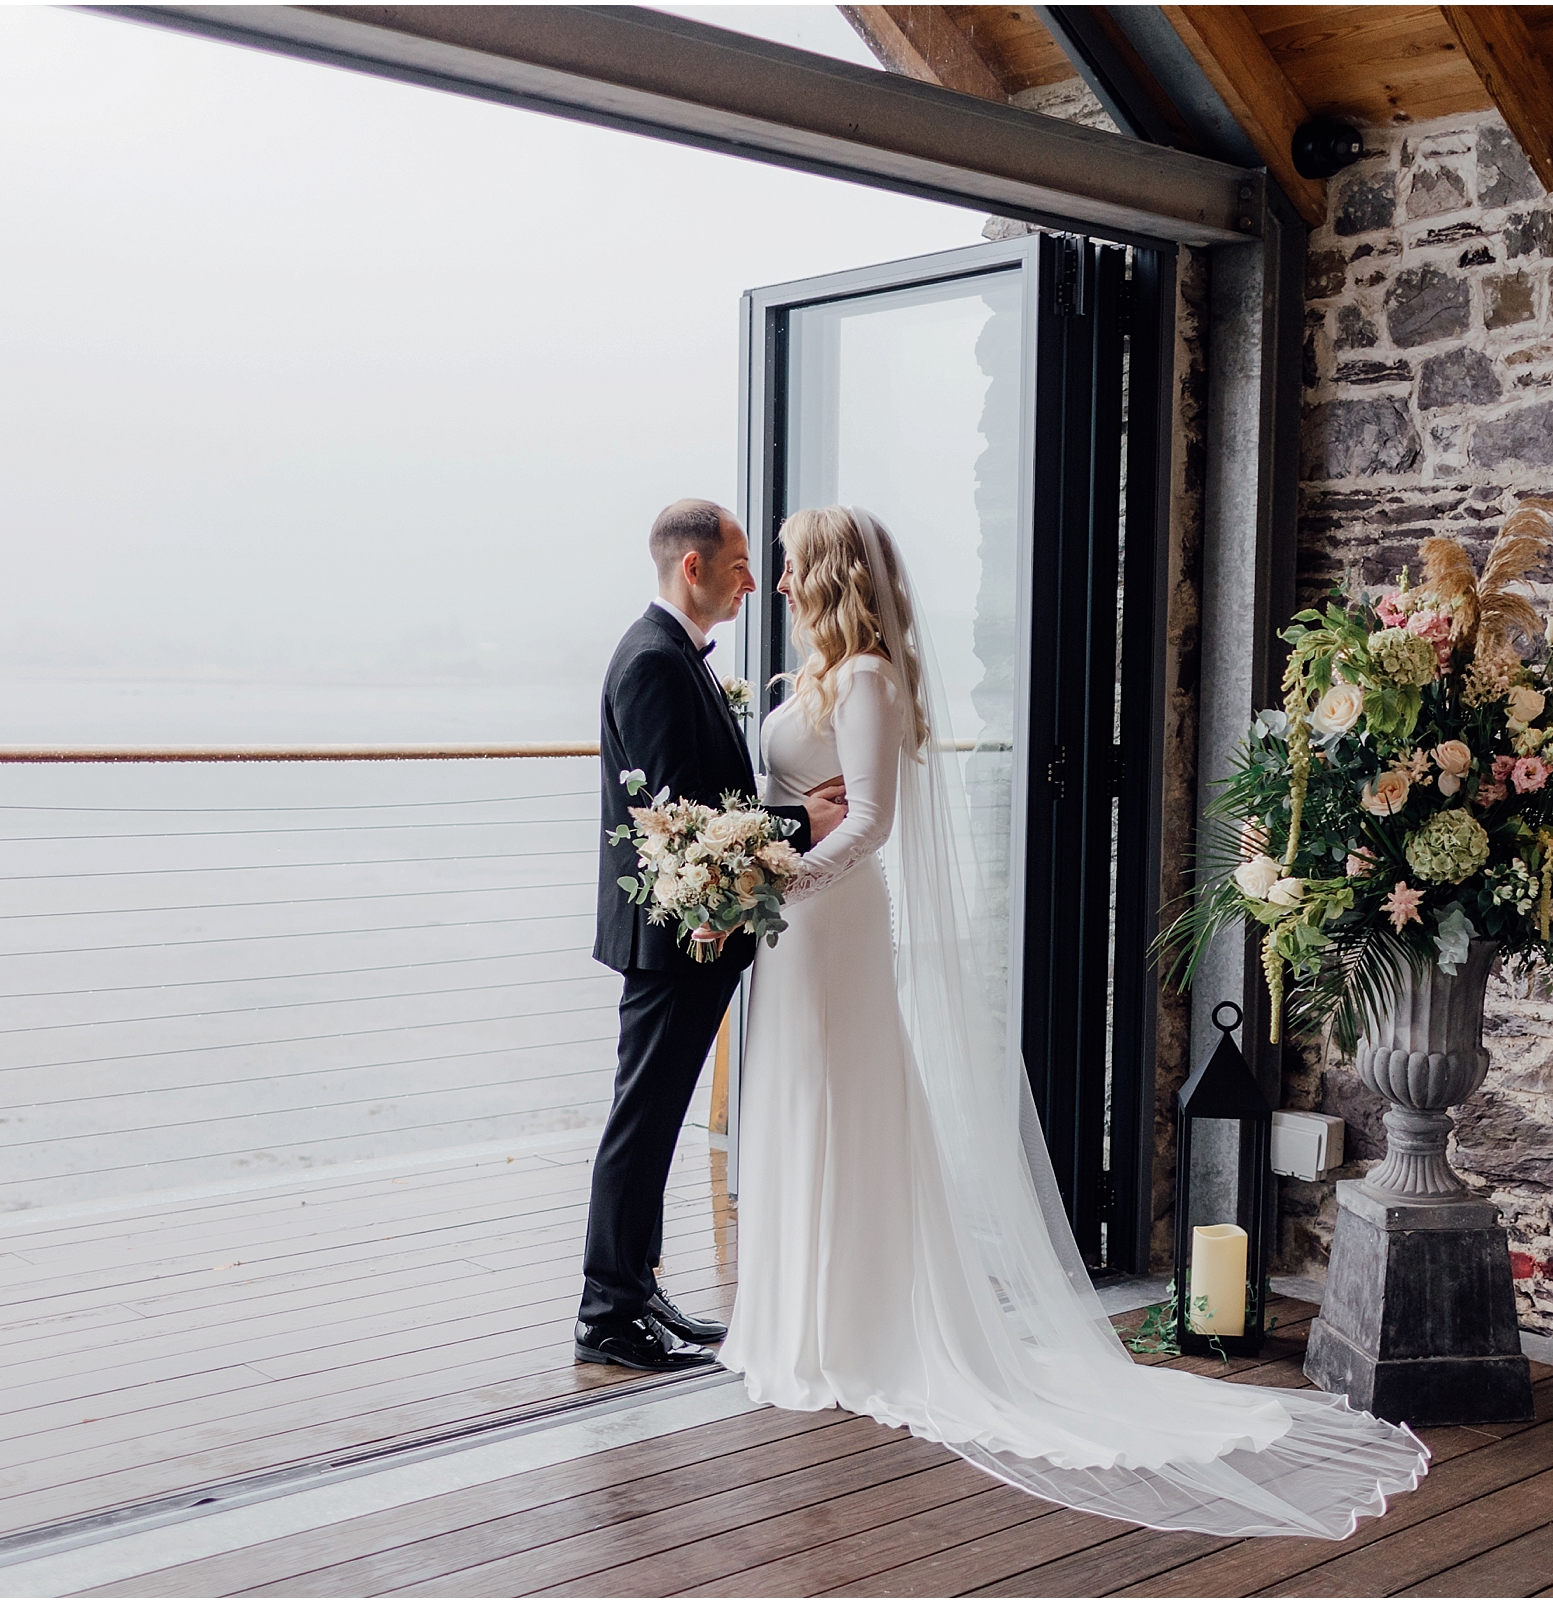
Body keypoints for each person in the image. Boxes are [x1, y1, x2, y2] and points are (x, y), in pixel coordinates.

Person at [720, 505, 1432, 1538]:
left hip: (829, 923)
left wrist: (783, 875)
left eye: (788, 569)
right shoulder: (818, 680)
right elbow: (802, 797)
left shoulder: (868, 678)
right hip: (796, 931)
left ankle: (849, 1325)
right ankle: (797, 1315)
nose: (779, 584)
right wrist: (765, 846)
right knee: (795, 1101)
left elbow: (869, 822)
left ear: (827, 574)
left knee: (839, 1104)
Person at [578, 498, 846, 1373]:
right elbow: (685, 819)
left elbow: (701, 795)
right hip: (676, 934)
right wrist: (801, 822)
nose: (751, 581)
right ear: (691, 567)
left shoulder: (671, 655)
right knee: (643, 1117)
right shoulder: (653, 661)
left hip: (692, 929)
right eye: (736, 564)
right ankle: (608, 1311)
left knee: (654, 1114)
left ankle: (637, 1285)